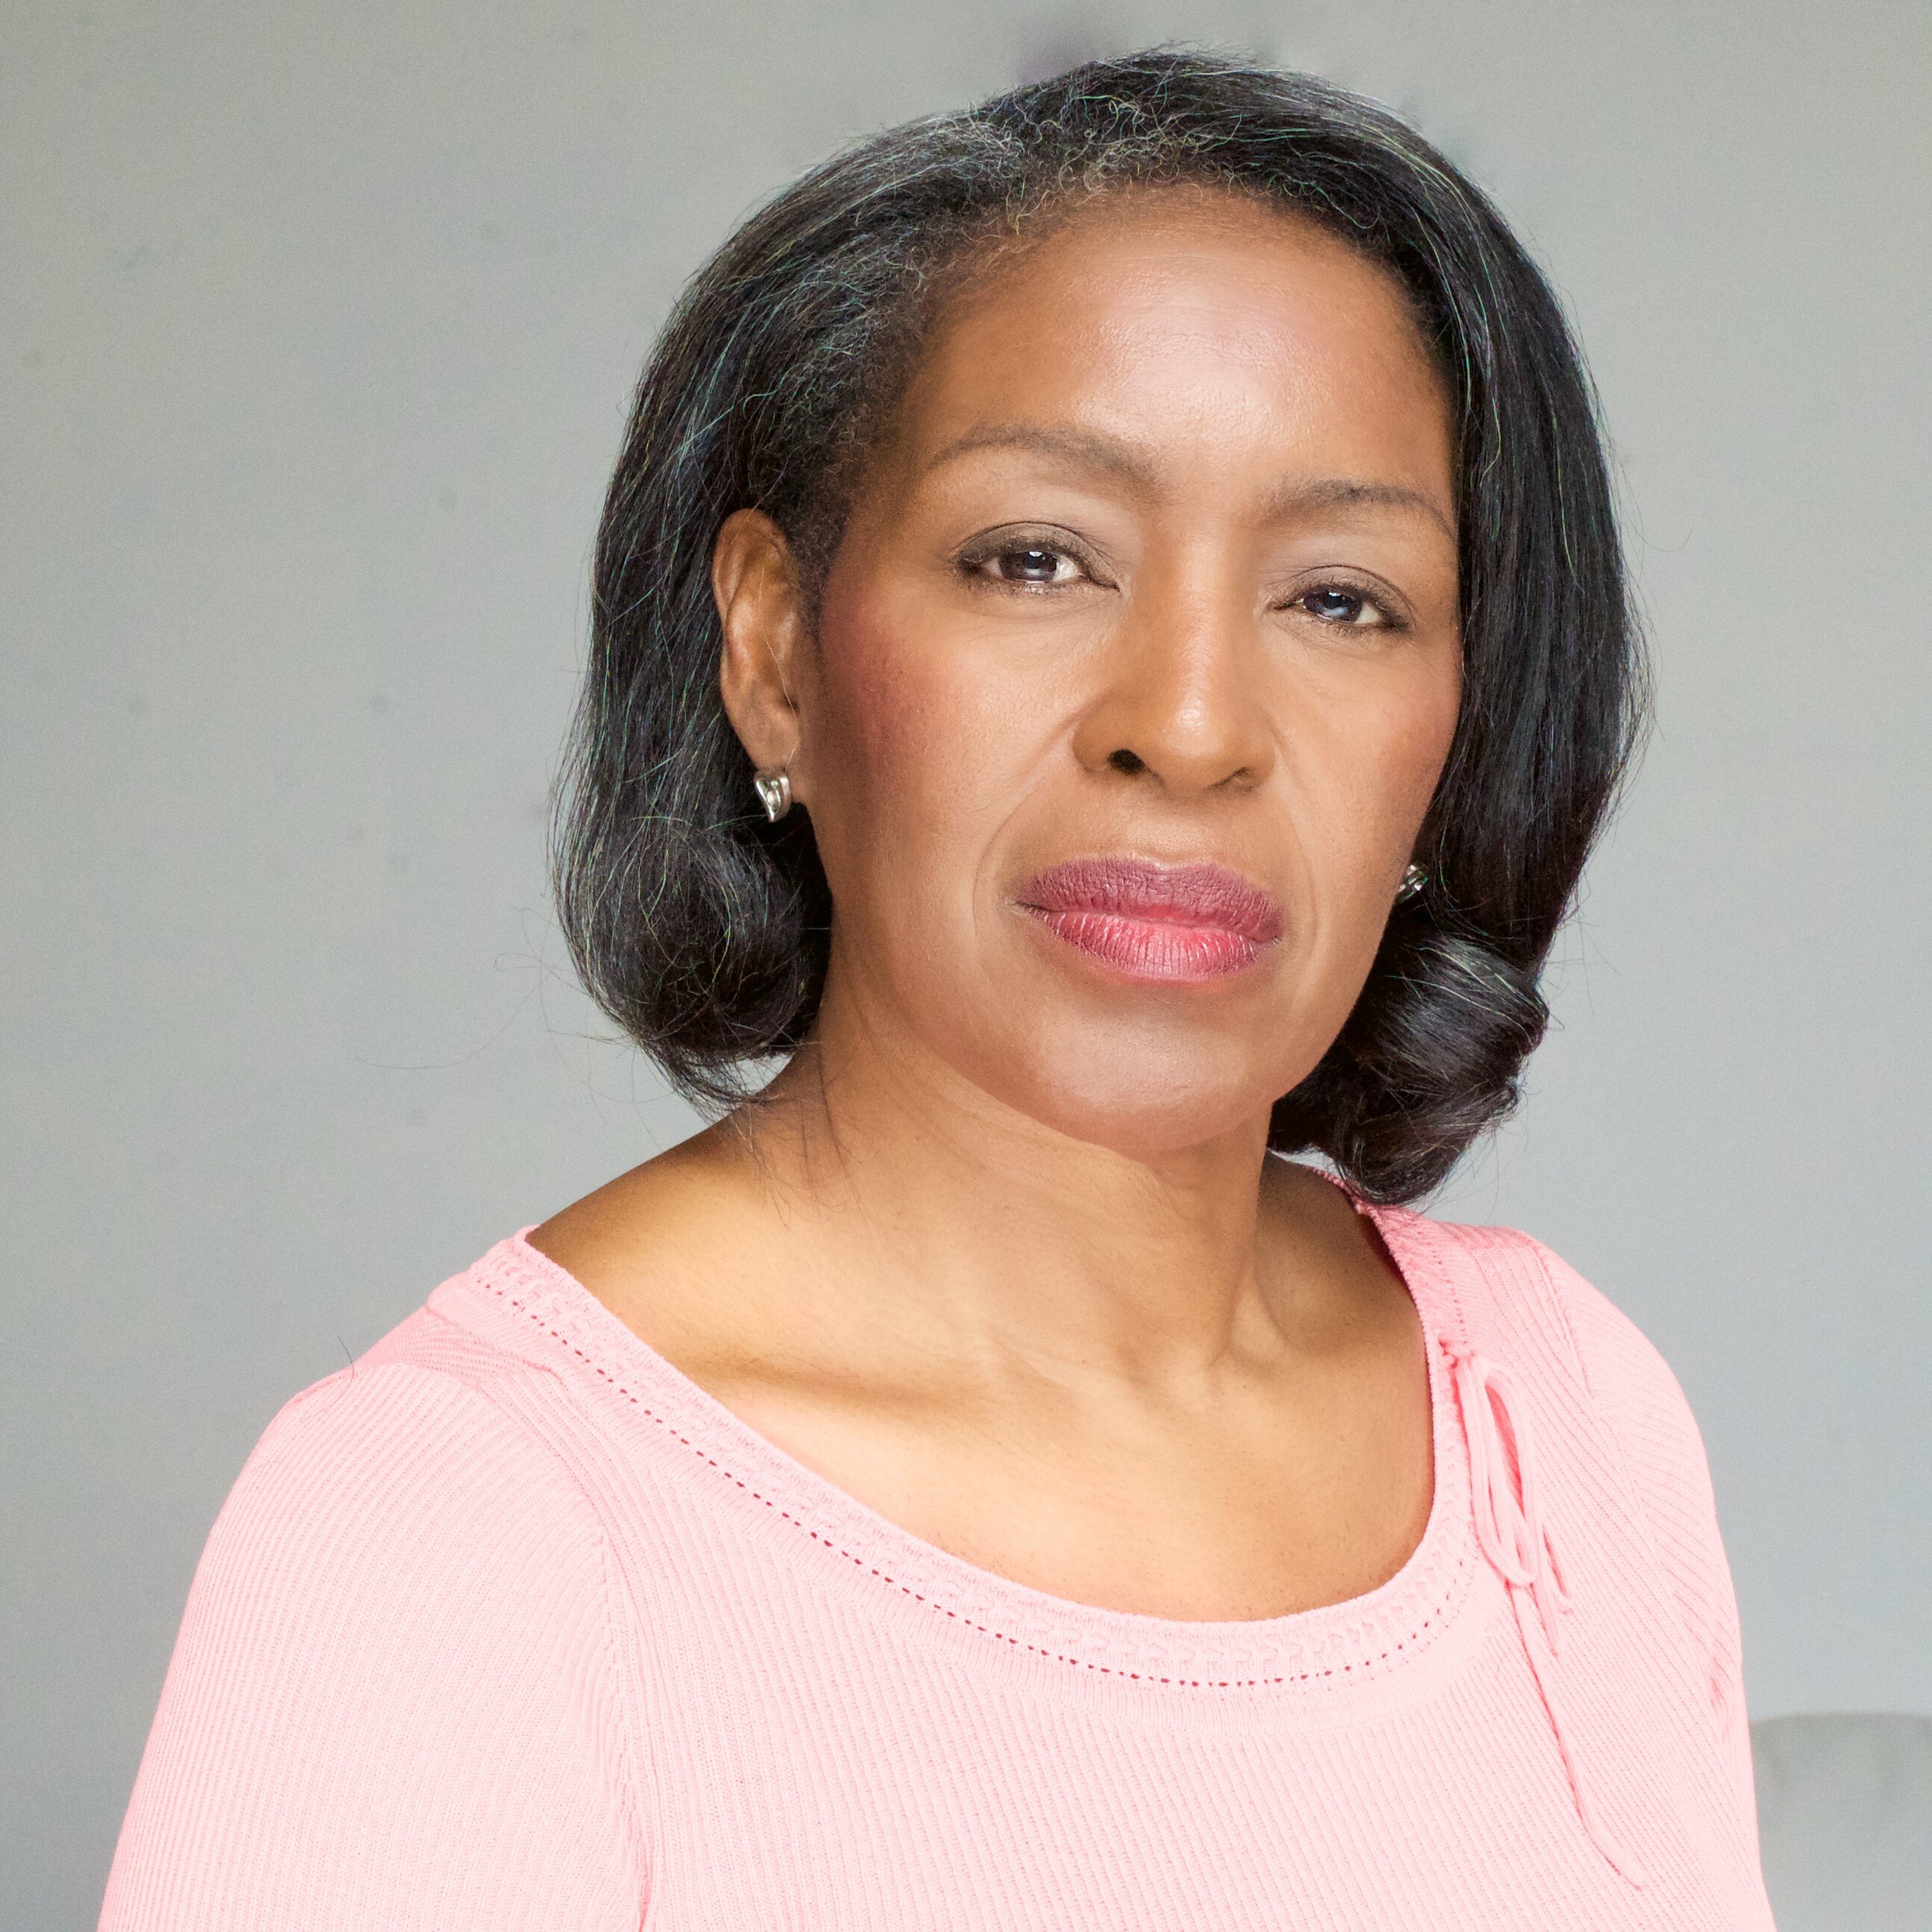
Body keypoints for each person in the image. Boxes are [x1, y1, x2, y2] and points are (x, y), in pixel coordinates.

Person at [99, 51, 1777, 1929]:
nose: (1190, 725)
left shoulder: (1561, 1410)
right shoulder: (461, 1528)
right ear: (774, 654)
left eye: (1339, 599)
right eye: (1035, 558)